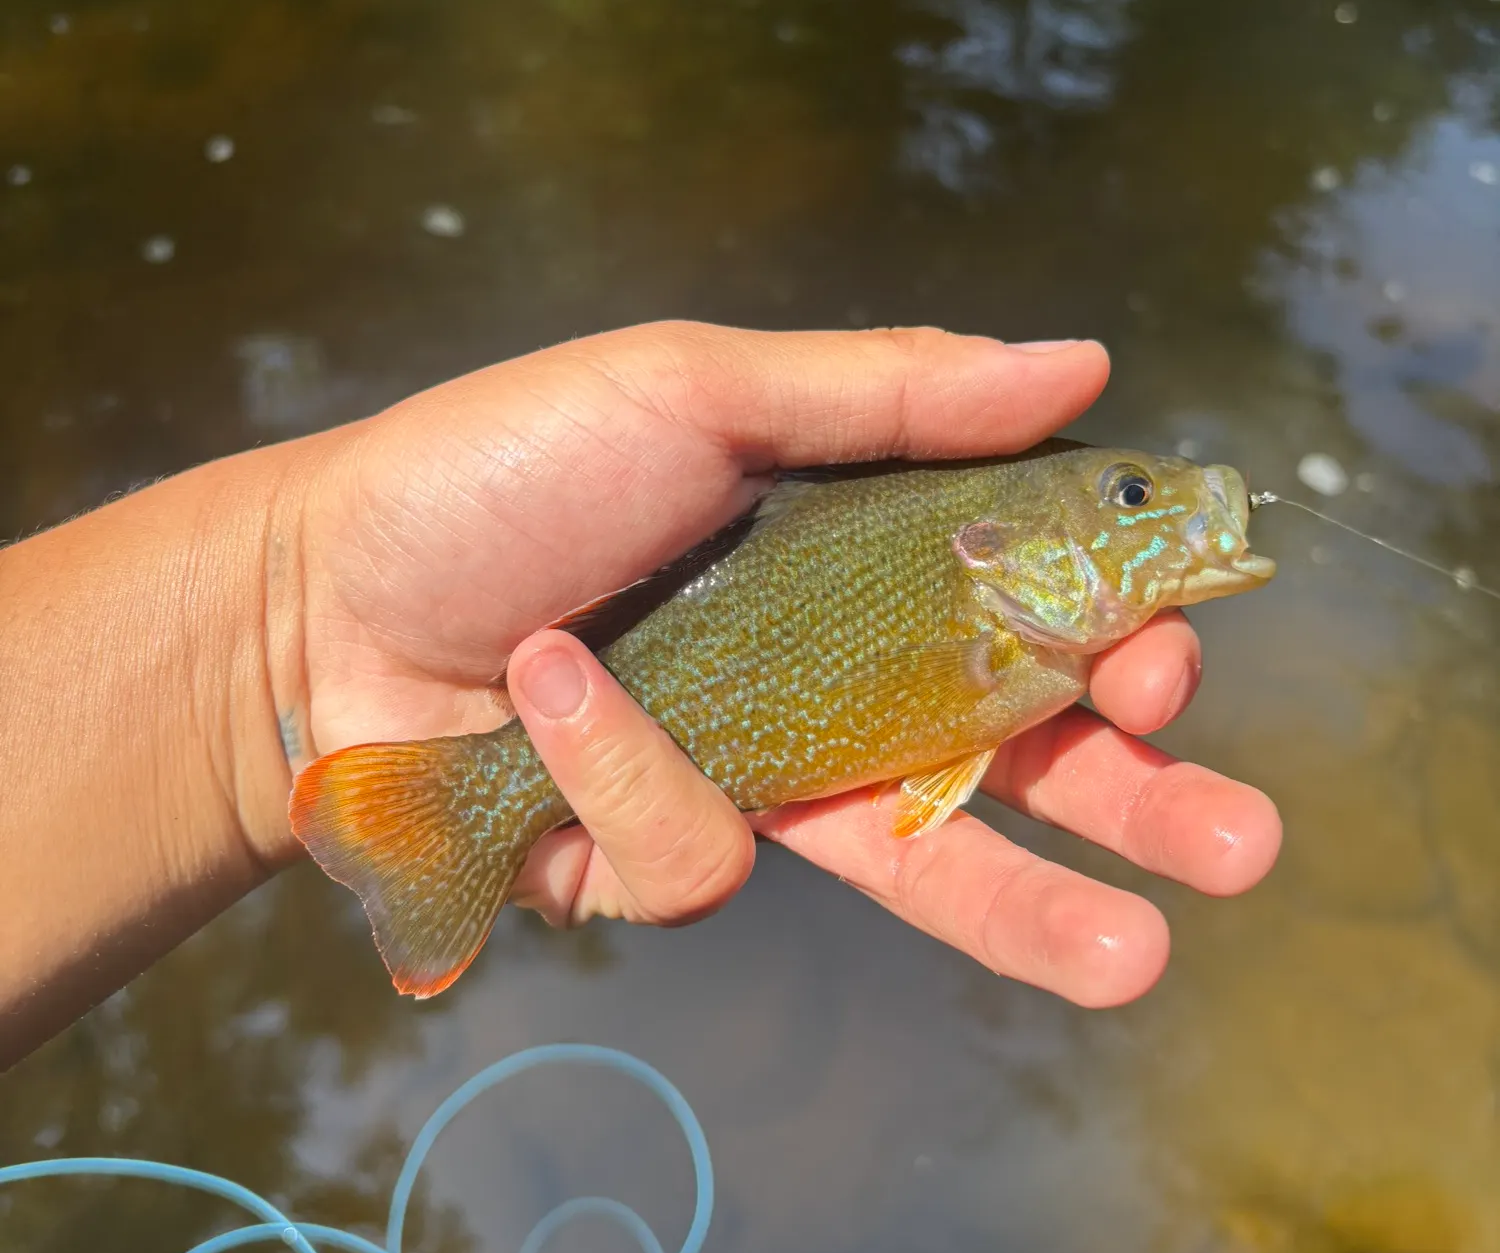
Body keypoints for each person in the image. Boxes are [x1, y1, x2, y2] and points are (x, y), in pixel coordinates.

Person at [0, 322, 1280, 1066]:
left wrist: (278, 633)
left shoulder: (1030, 640)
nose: (1170, 505)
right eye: (1130, 498)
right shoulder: (1008, 623)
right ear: (993, 548)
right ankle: (467, 806)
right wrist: (288, 621)